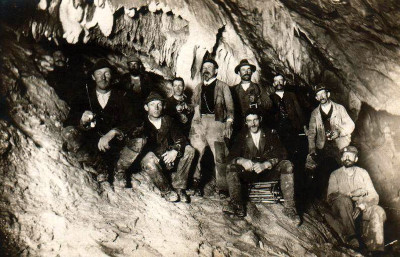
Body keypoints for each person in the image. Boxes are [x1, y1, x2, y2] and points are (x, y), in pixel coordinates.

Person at [63, 59, 144, 188]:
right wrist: (81, 120)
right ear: (93, 77)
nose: (103, 77)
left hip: (116, 145)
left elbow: (135, 120)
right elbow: (68, 122)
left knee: (140, 138)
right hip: (93, 145)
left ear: (112, 76)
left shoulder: (123, 95)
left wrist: (114, 132)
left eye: (107, 73)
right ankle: (100, 167)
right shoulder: (84, 96)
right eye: (99, 74)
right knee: (68, 133)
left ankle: (120, 170)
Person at [224, 108, 299, 222]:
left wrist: (267, 163)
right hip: (249, 174)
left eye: (255, 120)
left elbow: (282, 153)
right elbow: (230, 157)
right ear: (246, 122)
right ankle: (237, 206)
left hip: (268, 172)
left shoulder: (270, 134)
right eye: (249, 121)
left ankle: (290, 209)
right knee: (231, 167)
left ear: (260, 120)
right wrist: (242, 161)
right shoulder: (241, 136)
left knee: (287, 165)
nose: (253, 124)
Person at [327, 146, 386, 254]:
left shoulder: (363, 173)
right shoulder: (335, 174)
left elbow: (374, 196)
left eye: (350, 156)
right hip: (341, 211)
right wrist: (350, 195)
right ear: (341, 159)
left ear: (356, 159)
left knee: (378, 210)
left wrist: (361, 206)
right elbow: (330, 197)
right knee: (344, 201)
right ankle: (352, 238)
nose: (347, 158)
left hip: (359, 209)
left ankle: (376, 249)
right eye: (344, 156)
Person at [190, 58, 234, 196]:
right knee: (196, 152)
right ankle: (195, 183)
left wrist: (228, 123)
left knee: (220, 155)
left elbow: (230, 107)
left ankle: (222, 188)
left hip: (217, 122)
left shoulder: (223, 86)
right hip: (199, 121)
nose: (206, 69)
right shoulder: (198, 87)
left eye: (209, 67)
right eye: (204, 67)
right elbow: (194, 105)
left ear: (216, 70)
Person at [140, 92, 195, 203]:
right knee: (148, 160)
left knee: (190, 150)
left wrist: (175, 150)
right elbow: (136, 143)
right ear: (146, 107)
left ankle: (179, 188)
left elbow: (181, 138)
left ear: (163, 106)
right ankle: (166, 191)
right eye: (152, 104)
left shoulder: (169, 120)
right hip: (153, 160)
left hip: (168, 156)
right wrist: (147, 152)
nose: (156, 107)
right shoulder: (141, 123)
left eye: (159, 104)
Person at [269, 74, 306, 159]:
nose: (279, 83)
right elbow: (270, 116)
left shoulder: (291, 95)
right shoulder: (271, 97)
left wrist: (304, 125)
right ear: (273, 84)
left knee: (296, 151)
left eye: (281, 80)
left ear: (284, 82)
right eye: (276, 81)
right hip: (280, 129)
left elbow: (299, 111)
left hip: (293, 127)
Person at [231, 59, 272, 132]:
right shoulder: (233, 90)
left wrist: (258, 101)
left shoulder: (258, 87)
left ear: (252, 72)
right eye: (243, 70)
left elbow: (269, 104)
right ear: (239, 73)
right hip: (239, 127)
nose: (246, 72)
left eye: (248, 70)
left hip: (256, 126)